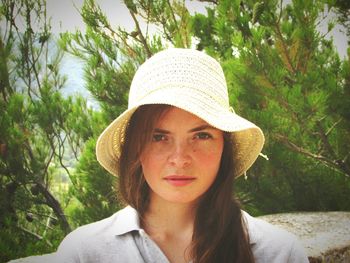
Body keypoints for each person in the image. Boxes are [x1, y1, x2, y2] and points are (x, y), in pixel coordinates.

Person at [54, 48, 309, 263]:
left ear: (224, 146)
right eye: (159, 137)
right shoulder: (85, 254)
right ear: (136, 149)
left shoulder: (278, 254)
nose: (179, 158)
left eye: (201, 136)